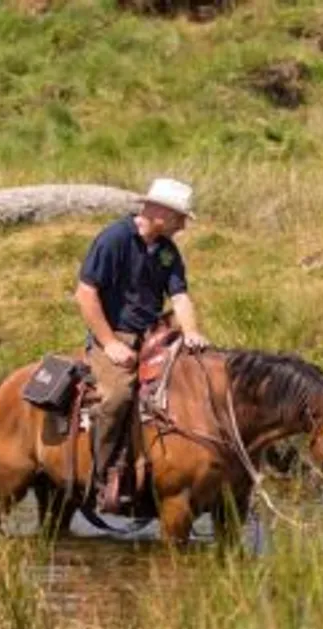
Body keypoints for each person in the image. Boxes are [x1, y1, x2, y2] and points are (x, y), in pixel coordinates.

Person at [75, 177, 210, 512]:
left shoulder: (167, 251)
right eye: (180, 219)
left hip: (154, 335)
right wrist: (109, 344)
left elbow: (178, 295)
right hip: (115, 335)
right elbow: (86, 294)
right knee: (119, 394)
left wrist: (191, 331)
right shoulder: (114, 239)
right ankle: (101, 473)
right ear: (162, 214)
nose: (182, 226)